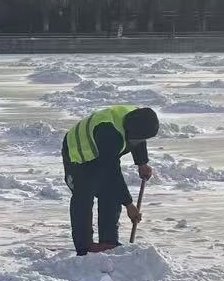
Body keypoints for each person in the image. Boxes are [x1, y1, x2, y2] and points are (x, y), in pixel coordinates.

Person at [62, 105, 158, 254]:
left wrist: (142, 163)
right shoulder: (110, 133)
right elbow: (113, 172)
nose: (139, 140)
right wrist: (129, 204)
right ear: (129, 131)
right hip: (77, 155)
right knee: (84, 197)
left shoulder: (136, 118)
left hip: (101, 151)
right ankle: (84, 246)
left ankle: (108, 242)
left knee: (111, 194)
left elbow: (138, 139)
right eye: (137, 137)